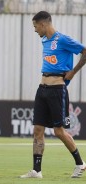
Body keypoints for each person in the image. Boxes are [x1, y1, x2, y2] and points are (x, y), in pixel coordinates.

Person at [20, 11, 86, 178]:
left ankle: (80, 163)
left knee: (59, 131)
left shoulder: (63, 39)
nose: (35, 30)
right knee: (37, 129)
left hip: (57, 90)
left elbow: (84, 51)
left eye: (35, 26)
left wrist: (73, 72)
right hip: (42, 89)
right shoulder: (44, 40)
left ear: (43, 24)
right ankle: (36, 170)